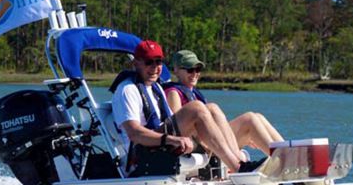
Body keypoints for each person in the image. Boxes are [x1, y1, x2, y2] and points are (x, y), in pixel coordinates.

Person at [111, 40, 261, 176]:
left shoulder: (155, 87)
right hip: (141, 152)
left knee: (212, 108)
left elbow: (170, 121)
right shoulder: (128, 90)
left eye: (158, 62)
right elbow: (134, 134)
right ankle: (239, 168)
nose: (155, 68)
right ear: (136, 63)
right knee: (196, 108)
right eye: (149, 62)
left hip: (160, 142)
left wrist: (203, 133)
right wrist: (171, 139)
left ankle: (240, 163)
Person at [164, 50, 284, 155]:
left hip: (214, 138)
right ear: (176, 71)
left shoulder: (193, 93)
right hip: (203, 143)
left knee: (258, 117)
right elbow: (180, 129)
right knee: (250, 119)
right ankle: (279, 159)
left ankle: (286, 153)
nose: (195, 74)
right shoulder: (174, 93)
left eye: (198, 69)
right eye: (190, 70)